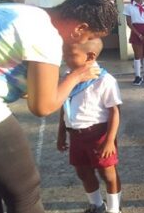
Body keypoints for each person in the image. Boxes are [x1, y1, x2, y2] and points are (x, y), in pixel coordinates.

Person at [0, 0, 118, 213]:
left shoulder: (26, 12)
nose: (90, 45)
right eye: (90, 38)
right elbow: (42, 107)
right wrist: (77, 76)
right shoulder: (47, 35)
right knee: (25, 193)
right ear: (80, 29)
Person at [57, 38, 122, 213]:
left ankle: (114, 209)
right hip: (76, 134)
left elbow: (115, 112)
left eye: (70, 55)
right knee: (83, 172)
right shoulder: (68, 76)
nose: (65, 58)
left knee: (108, 174)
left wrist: (109, 141)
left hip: (98, 135)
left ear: (90, 56)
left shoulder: (104, 80)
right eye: (64, 54)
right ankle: (97, 205)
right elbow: (64, 105)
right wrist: (61, 133)